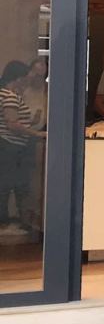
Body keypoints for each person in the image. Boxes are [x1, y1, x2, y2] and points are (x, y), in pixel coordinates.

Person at [0, 59, 45, 235]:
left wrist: (29, 122)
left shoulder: (4, 94)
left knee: (5, 184)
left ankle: (5, 221)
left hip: (7, 145)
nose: (28, 80)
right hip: (11, 146)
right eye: (26, 76)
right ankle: (5, 222)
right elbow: (12, 124)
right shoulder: (10, 96)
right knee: (9, 184)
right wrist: (37, 133)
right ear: (17, 77)